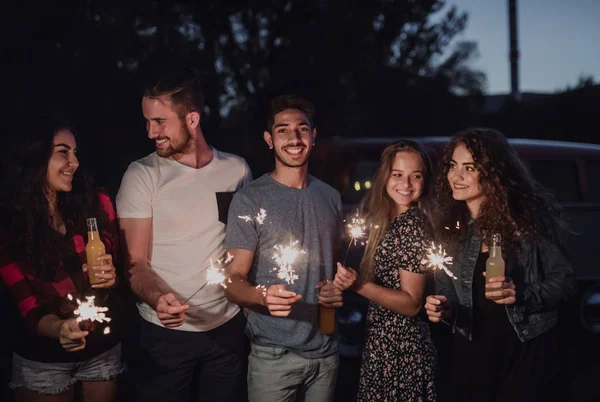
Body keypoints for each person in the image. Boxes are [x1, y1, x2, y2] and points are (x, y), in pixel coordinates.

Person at [116, 68, 252, 402]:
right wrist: (158, 299)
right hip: (165, 335)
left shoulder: (237, 171)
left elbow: (248, 247)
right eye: (147, 121)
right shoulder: (142, 175)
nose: (151, 132)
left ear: (191, 119)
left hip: (228, 328)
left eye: (160, 121)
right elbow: (134, 262)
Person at [424, 128, 577, 402]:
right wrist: (442, 308)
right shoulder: (449, 228)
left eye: (468, 168)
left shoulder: (527, 221)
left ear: (494, 172)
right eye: (452, 166)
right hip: (471, 352)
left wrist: (522, 294)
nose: (455, 176)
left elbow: (565, 282)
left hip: (525, 349)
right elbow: (447, 291)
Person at [223, 94, 343, 402]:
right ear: (269, 139)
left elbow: (335, 268)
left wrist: (342, 287)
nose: (294, 138)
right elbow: (232, 279)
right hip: (273, 356)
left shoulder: (331, 197)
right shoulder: (250, 199)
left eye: (302, 129)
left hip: (327, 353)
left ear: (313, 136)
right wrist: (261, 295)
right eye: (282, 130)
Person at [0, 116, 123, 402]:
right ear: (34, 157)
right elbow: (27, 304)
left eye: (75, 153)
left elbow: (115, 270)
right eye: (63, 152)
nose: (75, 163)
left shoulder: (96, 203)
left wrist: (112, 277)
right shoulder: (9, 227)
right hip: (43, 360)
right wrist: (61, 329)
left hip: (102, 351)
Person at [333, 140, 437, 401]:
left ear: (426, 181)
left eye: (416, 176)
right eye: (398, 174)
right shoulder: (390, 222)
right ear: (385, 177)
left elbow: (412, 303)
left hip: (402, 353)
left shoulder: (411, 226)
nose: (406, 184)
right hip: (383, 348)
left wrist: (358, 285)